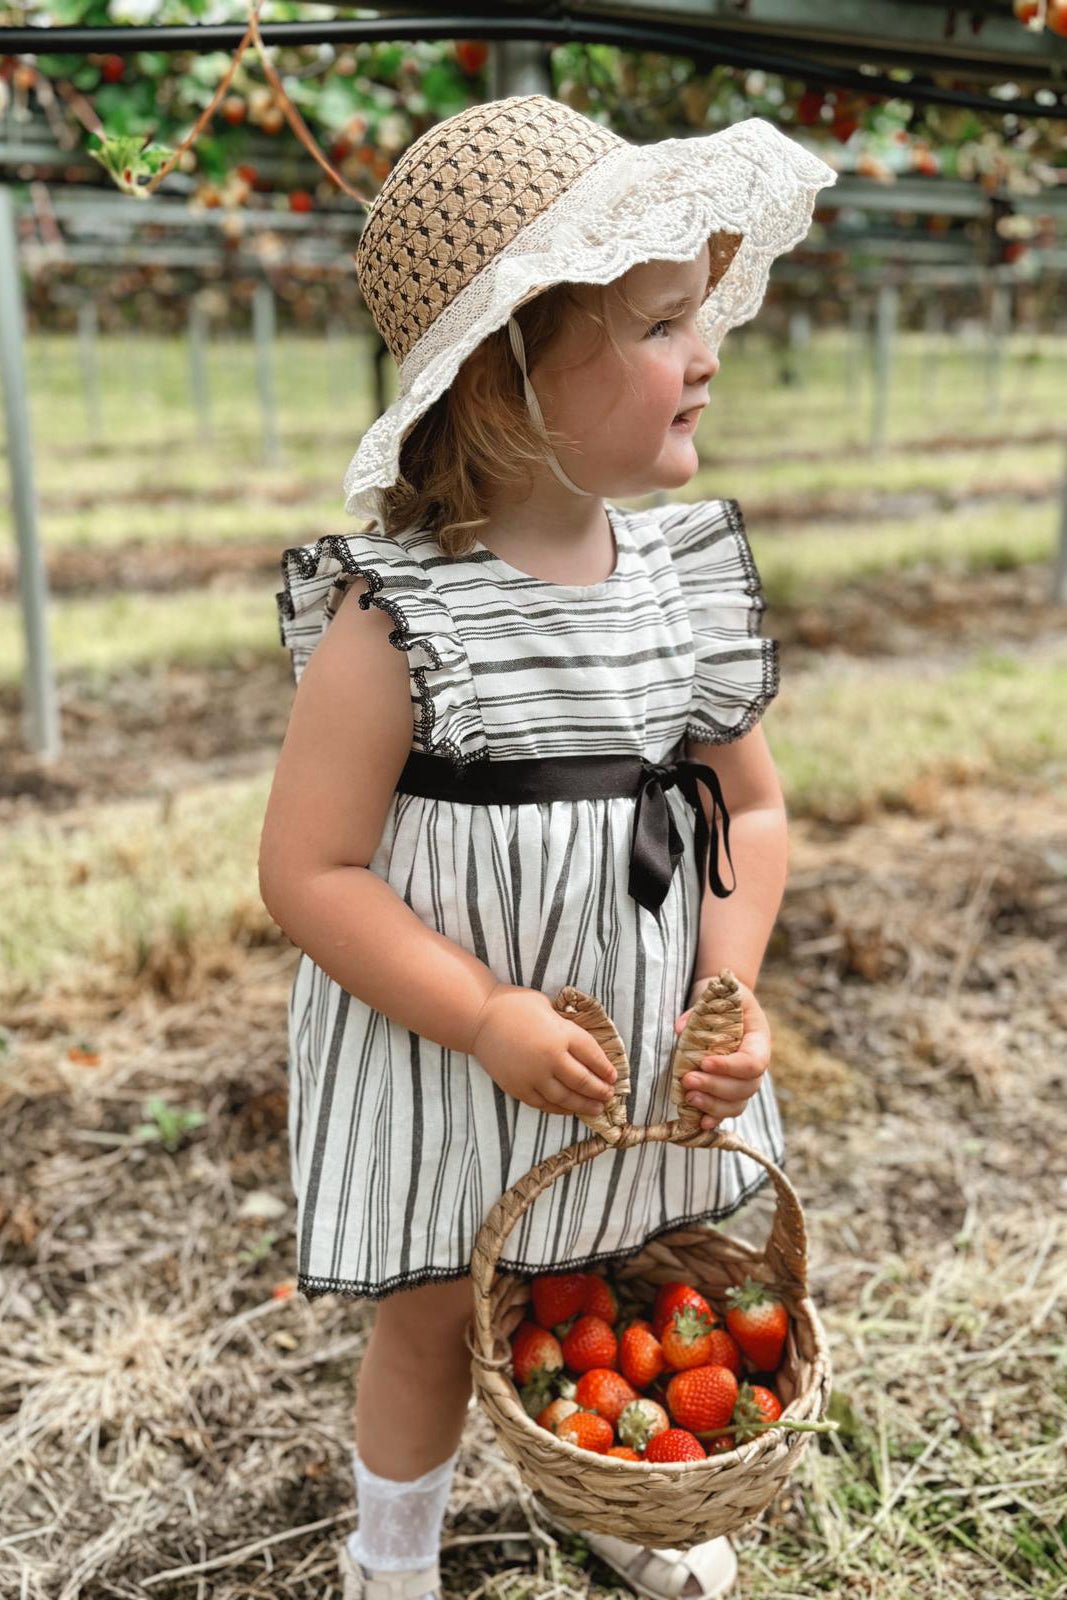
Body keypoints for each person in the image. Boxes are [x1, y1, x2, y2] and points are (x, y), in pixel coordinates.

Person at [258, 93, 836, 1600]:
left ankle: (609, 1483)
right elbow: (308, 873)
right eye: (660, 325)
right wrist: (484, 1015)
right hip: (457, 1038)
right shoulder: (398, 617)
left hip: (626, 1031)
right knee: (439, 1303)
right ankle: (390, 1561)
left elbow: (752, 807)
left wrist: (731, 987)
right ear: (511, 377)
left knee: (608, 1255)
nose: (706, 353)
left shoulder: (684, 578)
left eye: (699, 317)